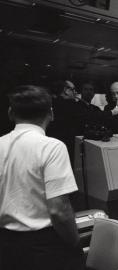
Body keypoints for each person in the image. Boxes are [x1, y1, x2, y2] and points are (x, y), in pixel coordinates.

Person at [0, 85, 82, 270]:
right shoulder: (52, 147)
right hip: (42, 246)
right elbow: (58, 210)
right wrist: (75, 242)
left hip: (5, 245)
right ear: (51, 113)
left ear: (10, 113)